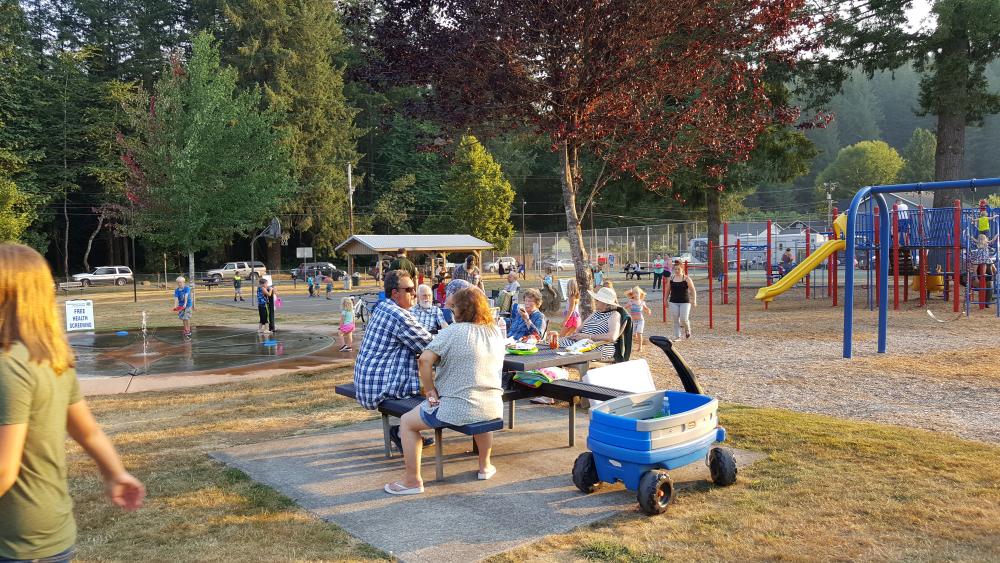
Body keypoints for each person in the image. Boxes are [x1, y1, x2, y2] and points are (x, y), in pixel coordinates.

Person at [0, 243, 146, 562]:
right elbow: (89, 432)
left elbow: (4, 470)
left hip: (17, 541)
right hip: (49, 530)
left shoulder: (8, 366)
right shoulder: (51, 359)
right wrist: (114, 473)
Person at [384, 287, 505, 495]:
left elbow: (424, 359)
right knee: (480, 417)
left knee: (406, 423)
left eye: (453, 306)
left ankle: (412, 480)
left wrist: (430, 391)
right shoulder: (493, 331)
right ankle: (485, 466)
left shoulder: (451, 332)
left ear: (459, 309)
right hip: (491, 405)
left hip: (457, 407)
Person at [354, 271, 435, 449]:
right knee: (438, 398)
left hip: (367, 383)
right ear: (394, 293)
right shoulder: (399, 315)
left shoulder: (383, 308)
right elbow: (431, 346)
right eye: (409, 289)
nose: (414, 293)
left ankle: (402, 431)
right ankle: (402, 431)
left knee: (426, 385)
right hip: (380, 388)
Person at [559, 287, 622, 361]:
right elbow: (579, 328)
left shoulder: (614, 315)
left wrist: (589, 337)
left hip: (599, 346)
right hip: (583, 343)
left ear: (605, 302)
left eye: (597, 300)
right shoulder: (596, 313)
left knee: (558, 349)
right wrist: (577, 334)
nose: (595, 301)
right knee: (556, 344)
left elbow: (612, 337)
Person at [665, 258, 697, 340]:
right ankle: (677, 336)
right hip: (673, 301)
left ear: (682, 269)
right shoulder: (671, 279)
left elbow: (693, 290)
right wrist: (665, 300)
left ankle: (687, 330)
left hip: (685, 301)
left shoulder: (686, 279)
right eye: (675, 269)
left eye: (678, 269)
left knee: (684, 318)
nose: (676, 271)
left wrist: (694, 300)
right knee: (675, 319)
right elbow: (667, 290)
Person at [625, 286, 651, 352]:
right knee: (633, 335)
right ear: (632, 294)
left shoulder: (642, 302)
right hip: (633, 321)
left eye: (637, 293)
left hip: (640, 321)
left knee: (639, 333)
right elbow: (624, 308)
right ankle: (633, 338)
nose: (636, 294)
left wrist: (648, 311)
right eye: (634, 293)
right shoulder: (631, 301)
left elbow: (646, 308)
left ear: (640, 294)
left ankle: (640, 347)